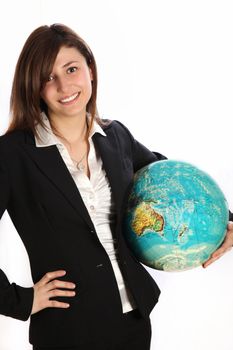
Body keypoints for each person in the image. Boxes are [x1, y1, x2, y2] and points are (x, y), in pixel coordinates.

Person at [0, 24, 232, 350]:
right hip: (66, 331)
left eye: (71, 69)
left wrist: (228, 221)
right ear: (33, 86)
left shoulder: (116, 138)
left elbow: (174, 180)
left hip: (133, 323)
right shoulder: (12, 154)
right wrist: (19, 300)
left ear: (90, 71)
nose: (64, 85)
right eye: (47, 77)